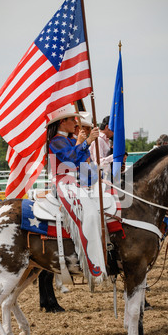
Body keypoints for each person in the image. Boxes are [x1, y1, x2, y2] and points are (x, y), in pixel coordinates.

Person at [47, 104, 106, 282]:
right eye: (73, 119)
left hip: (76, 181)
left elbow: (80, 160)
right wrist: (85, 142)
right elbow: (70, 159)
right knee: (89, 213)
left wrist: (84, 143)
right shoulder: (56, 141)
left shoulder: (69, 140)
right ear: (62, 122)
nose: (76, 122)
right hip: (64, 182)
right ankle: (91, 262)